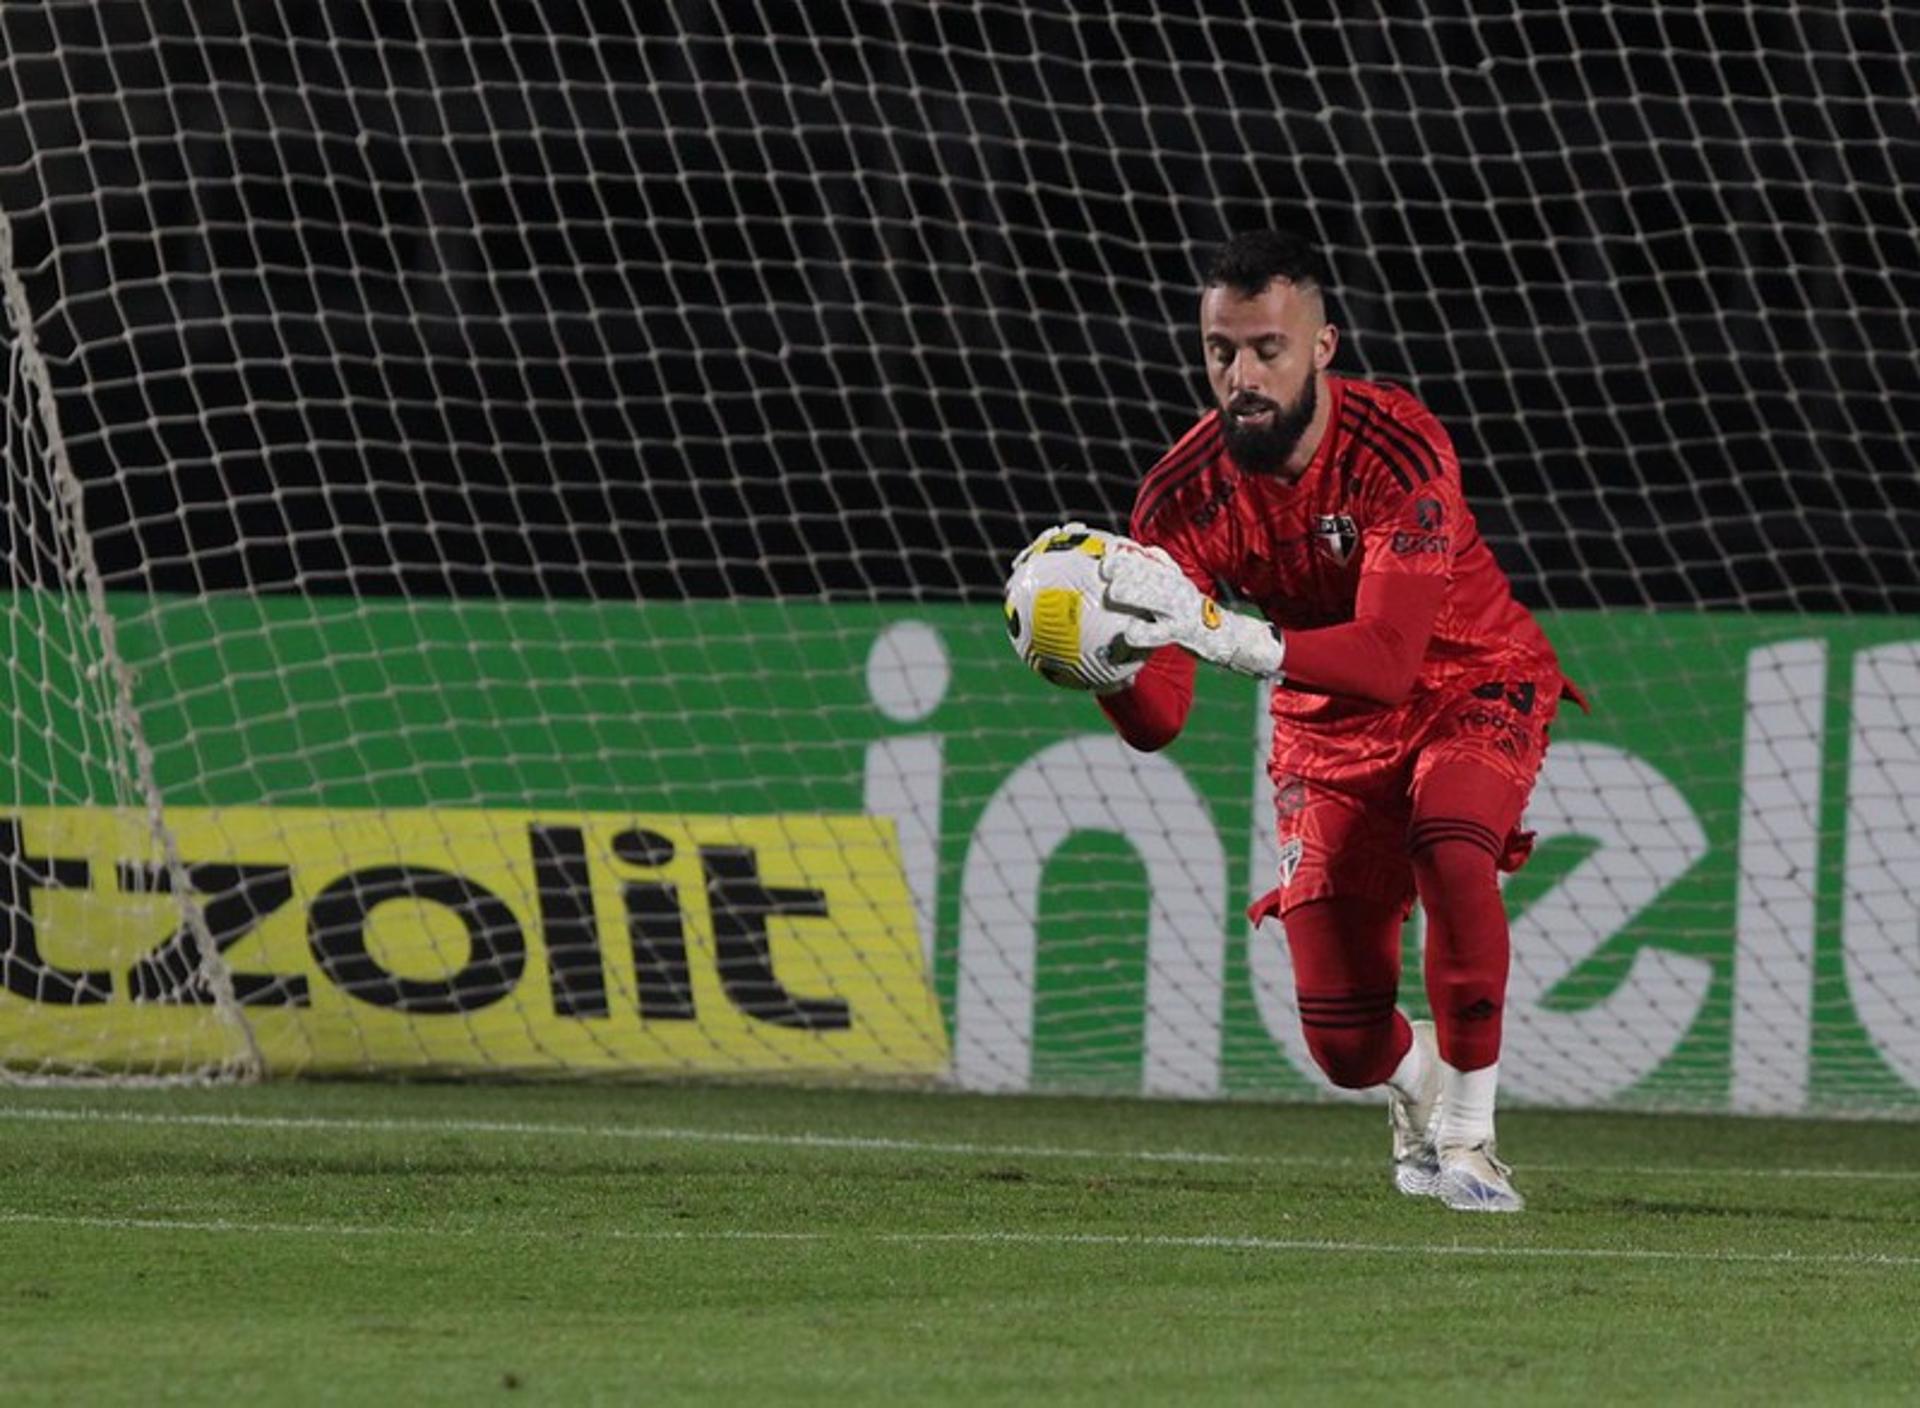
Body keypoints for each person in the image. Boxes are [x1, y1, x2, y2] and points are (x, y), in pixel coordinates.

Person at [1087, 228, 1581, 1212]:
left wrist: (1236, 637)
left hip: (1468, 678)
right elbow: (1162, 722)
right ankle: (1418, 1082)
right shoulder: (1179, 499)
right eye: (1221, 351)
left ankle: (1471, 1137)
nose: (1242, 374)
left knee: (1452, 842)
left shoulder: (1398, 447)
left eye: (1267, 348)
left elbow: (1394, 661)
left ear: (1322, 347)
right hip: (1324, 729)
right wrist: (1103, 663)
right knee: (1345, 1043)